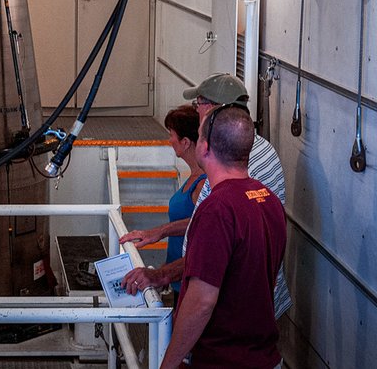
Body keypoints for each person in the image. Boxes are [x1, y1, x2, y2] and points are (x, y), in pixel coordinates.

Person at [122, 73, 291, 320]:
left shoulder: (226, 174)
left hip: (233, 315)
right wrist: (162, 231)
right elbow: (221, 229)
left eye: (198, 104)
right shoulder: (264, 150)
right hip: (262, 302)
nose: (196, 112)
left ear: (211, 110)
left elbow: (211, 253)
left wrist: (160, 276)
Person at [160, 104, 286, 369]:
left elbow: (202, 301)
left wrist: (170, 363)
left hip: (223, 360)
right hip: (264, 357)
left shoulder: (217, 209)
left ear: (204, 147)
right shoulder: (269, 200)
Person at [119, 105, 205, 304]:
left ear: (185, 142)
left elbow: (202, 226)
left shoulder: (202, 184)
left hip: (191, 282)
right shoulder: (194, 177)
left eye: (171, 134)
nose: (169, 140)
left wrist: (161, 233)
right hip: (178, 276)